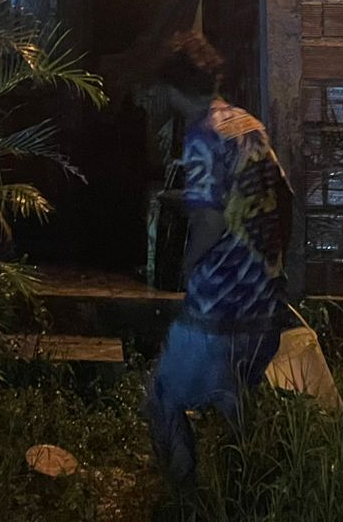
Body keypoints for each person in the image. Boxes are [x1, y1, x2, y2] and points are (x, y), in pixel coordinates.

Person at [137, 32, 293, 498]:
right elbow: (282, 197)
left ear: (171, 89)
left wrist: (188, 266)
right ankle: (252, 497)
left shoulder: (202, 135)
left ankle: (182, 501)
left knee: (161, 398)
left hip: (219, 303)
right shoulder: (249, 125)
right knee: (235, 407)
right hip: (263, 300)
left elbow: (209, 221)